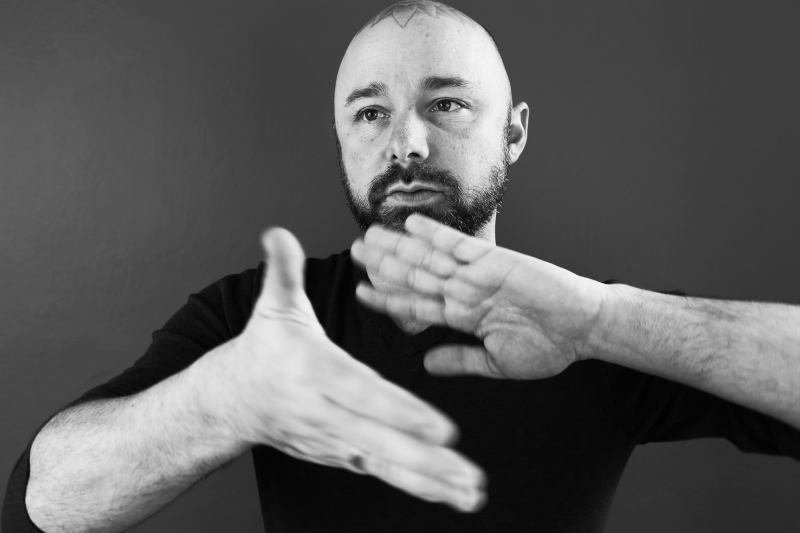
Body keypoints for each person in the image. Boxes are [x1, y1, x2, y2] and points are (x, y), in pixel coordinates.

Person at [3, 1, 800, 532]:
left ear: (514, 132)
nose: (407, 142)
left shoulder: (586, 319)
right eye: (372, 111)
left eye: (447, 103)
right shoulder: (259, 317)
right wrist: (226, 398)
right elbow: (38, 501)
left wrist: (605, 321)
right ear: (343, 139)